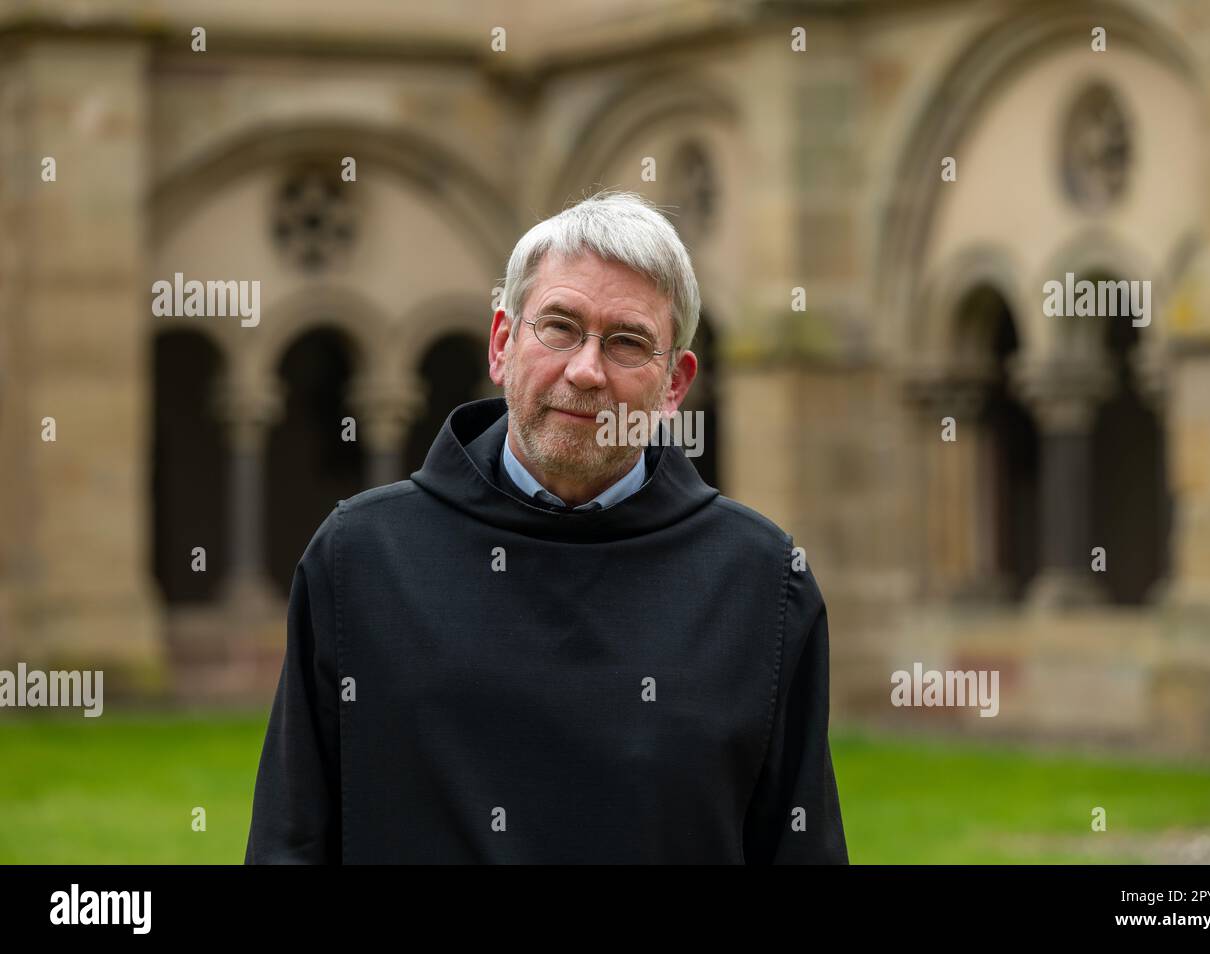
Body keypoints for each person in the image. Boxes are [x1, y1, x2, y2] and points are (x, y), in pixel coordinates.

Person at [245, 189, 849, 863]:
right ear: (502, 343)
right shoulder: (359, 560)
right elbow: (289, 843)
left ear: (675, 385)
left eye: (627, 343)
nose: (586, 371)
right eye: (559, 327)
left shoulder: (762, 583)